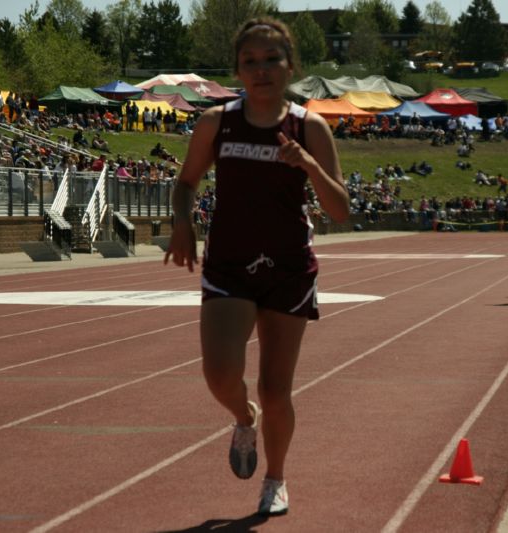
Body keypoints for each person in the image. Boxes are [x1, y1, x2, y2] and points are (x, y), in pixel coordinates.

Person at [163, 17, 349, 517]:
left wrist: (307, 166)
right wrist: (182, 223)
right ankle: (243, 417)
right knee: (221, 375)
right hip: (228, 263)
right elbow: (185, 184)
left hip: (288, 267)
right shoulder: (216, 122)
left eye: (272, 60)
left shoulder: (310, 126)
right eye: (250, 62)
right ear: (237, 70)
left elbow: (341, 209)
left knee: (276, 387)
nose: (261, 70)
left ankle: (275, 478)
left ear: (292, 67)